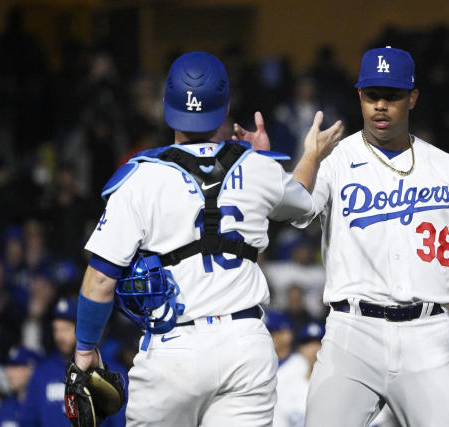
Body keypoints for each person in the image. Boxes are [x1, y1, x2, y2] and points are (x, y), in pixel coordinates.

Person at [71, 51, 343, 426]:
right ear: (226, 104)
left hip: (173, 350)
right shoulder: (257, 167)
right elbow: (302, 200)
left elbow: (100, 278)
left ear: (167, 106)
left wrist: (85, 351)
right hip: (245, 347)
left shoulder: (140, 179)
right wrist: (310, 153)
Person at [291, 46, 449, 426]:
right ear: (360, 96)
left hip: (428, 333)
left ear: (412, 98)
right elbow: (294, 209)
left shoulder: (448, 168)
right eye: (372, 95)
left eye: (391, 96)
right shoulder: (335, 161)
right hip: (352, 330)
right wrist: (310, 158)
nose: (380, 105)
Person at [20, 297, 126, 426]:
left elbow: (122, 421)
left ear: (82, 329)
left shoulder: (110, 370)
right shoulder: (42, 371)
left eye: (65, 329)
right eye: (56, 329)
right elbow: (28, 421)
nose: (59, 336)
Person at [0, 346, 40, 425]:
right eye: (8, 367)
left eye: (15, 367)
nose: (8, 373)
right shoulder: (6, 407)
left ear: (31, 370)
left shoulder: (45, 406)